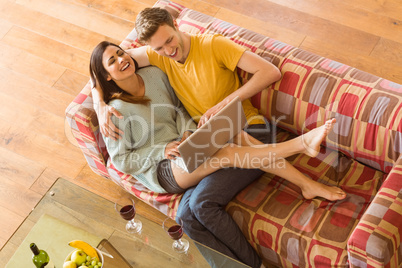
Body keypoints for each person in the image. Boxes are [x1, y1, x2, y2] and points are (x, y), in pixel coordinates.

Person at [91, 8, 346, 268]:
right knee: (193, 206)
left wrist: (223, 105)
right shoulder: (155, 61)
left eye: (169, 40)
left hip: (240, 129)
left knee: (194, 208)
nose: (167, 50)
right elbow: (100, 73)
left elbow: (270, 73)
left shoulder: (206, 48)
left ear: (176, 25)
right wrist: (100, 104)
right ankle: (301, 152)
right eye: (158, 47)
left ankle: (303, 169)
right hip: (196, 148)